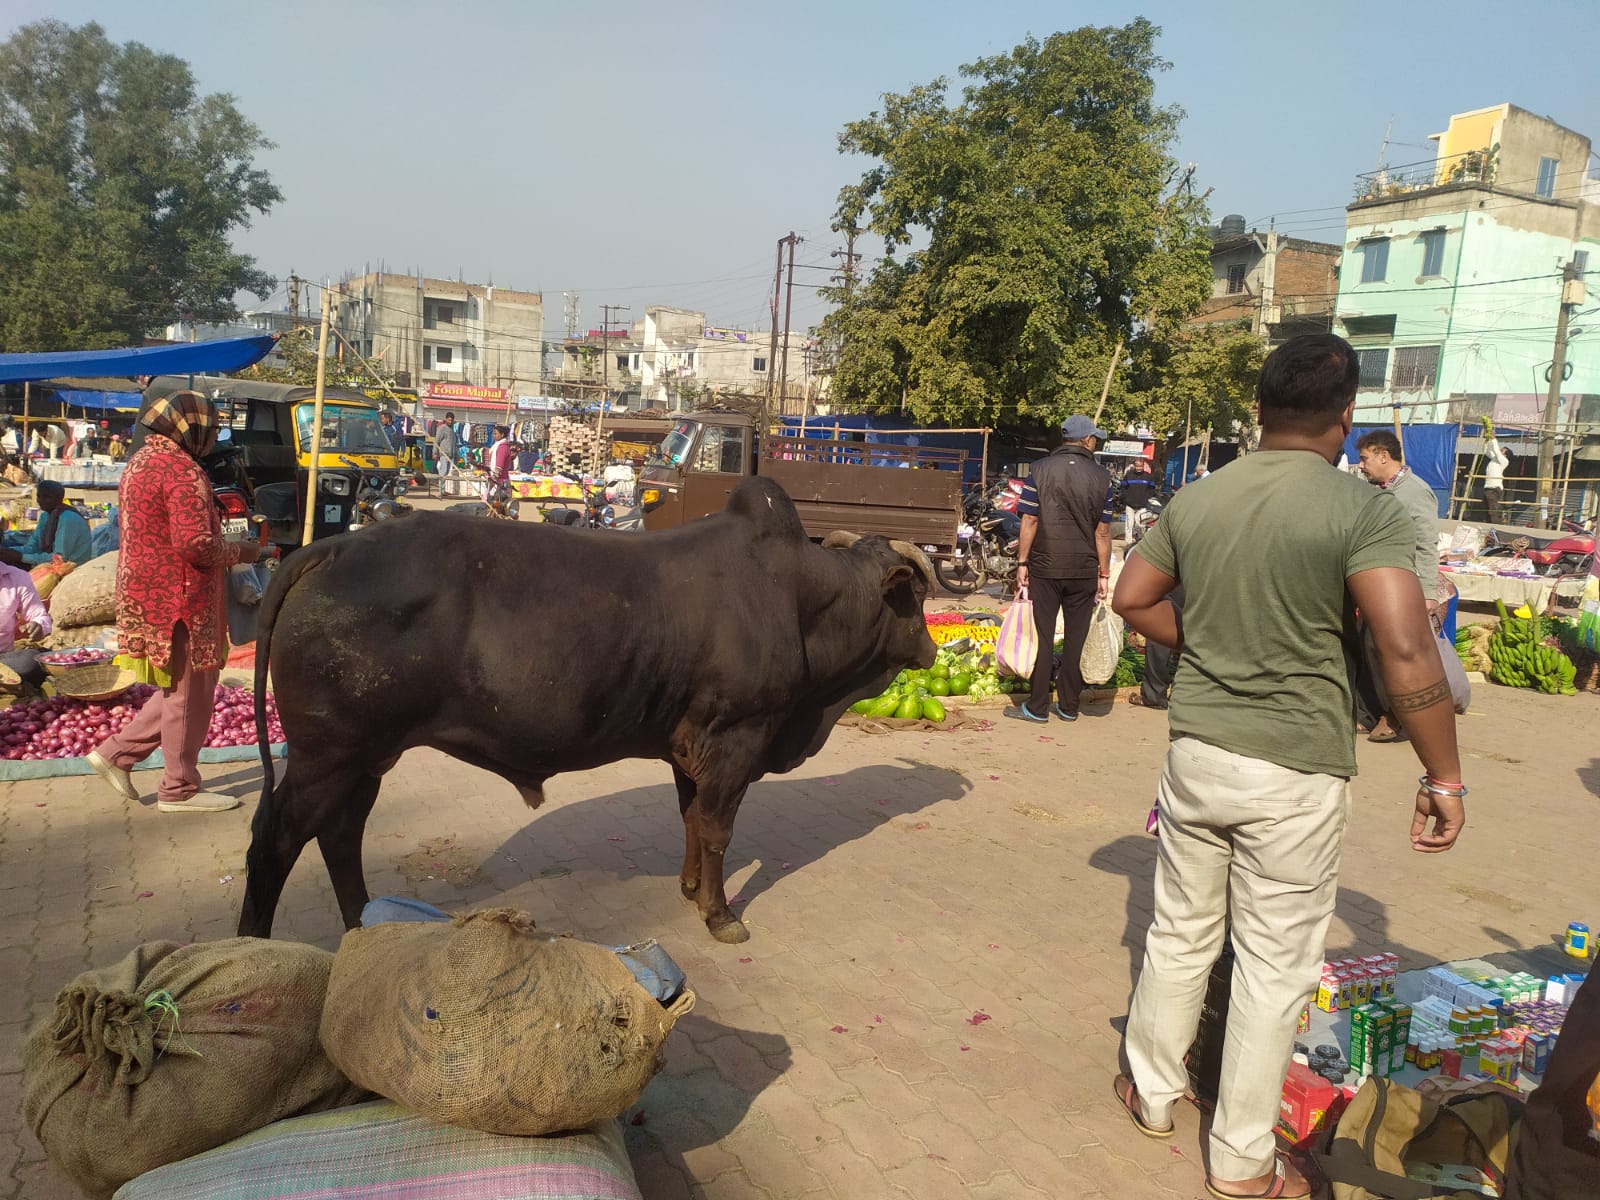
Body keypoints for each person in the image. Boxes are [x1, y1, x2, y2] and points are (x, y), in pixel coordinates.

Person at [1110, 334, 1464, 1200]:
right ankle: (1238, 1160)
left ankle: (1152, 1092)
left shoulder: (1199, 499)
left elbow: (1130, 599)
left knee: (1177, 933)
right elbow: (1407, 645)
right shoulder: (1360, 511)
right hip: (1294, 769)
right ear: (1346, 420)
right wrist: (1443, 776)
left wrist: (1215, 646)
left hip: (1197, 756)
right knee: (1273, 967)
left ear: (1260, 410)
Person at [86, 391, 265, 814]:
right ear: (192, 429)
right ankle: (178, 788)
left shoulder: (142, 461)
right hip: (182, 598)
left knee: (179, 688)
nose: (211, 436)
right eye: (209, 428)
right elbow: (195, 545)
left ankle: (116, 753)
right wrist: (243, 552)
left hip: (148, 591)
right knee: (190, 693)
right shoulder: (181, 470)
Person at [1010, 414, 1114, 724]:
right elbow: (1103, 533)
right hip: (1083, 570)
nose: (1096, 441)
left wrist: (1022, 563)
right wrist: (1104, 574)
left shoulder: (1039, 470)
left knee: (1043, 635)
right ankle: (1069, 706)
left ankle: (1037, 707)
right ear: (1085, 440)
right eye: (1094, 437)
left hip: (1045, 566)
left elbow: (1029, 520)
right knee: (1075, 638)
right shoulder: (1102, 477)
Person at [1354, 430, 1444, 743]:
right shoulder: (1376, 490)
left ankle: (1398, 717)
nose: (1361, 465)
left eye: (1365, 458)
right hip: (1375, 582)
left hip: (1403, 587)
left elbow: (1426, 544)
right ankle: (1366, 713)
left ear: (1383, 455)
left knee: (1389, 652)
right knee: (1365, 646)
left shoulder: (1415, 492)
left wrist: (1428, 593)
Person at [3, 481, 95, 568]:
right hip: (52, 564)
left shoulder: (68, 518)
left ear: (59, 498)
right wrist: (8, 551)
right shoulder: (46, 516)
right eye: (39, 496)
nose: (41, 500)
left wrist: (21, 557)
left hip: (71, 568)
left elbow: (60, 558)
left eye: (47, 497)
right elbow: (32, 548)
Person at [0, 558, 51, 686]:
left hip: (3, 660)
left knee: (31, 661)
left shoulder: (17, 577)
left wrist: (38, 626)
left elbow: (39, 616)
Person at [1120, 456, 1159, 546]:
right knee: (1129, 525)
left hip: (1143, 505)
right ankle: (1128, 543)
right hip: (1130, 505)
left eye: (1140, 466)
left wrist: (1147, 497)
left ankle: (1140, 542)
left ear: (1143, 466)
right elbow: (1123, 487)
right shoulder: (1128, 475)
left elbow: (1152, 489)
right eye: (1137, 466)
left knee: (1140, 524)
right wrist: (1125, 498)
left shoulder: (1148, 477)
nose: (1138, 468)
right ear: (1134, 466)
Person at [1482, 426, 1510, 525]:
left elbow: (1497, 452)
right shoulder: (1495, 459)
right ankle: (1489, 527)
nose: (1500, 450)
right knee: (1487, 509)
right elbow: (1487, 451)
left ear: (1506, 455)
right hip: (1488, 487)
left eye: (1503, 450)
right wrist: (1488, 440)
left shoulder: (1504, 461)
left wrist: (1493, 438)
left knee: (1493, 510)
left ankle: (1495, 528)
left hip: (1494, 488)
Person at [481, 424, 514, 505]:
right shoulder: (497, 446)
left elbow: (499, 466)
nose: (494, 435)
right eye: (493, 433)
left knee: (496, 506)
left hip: (500, 483)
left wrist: (493, 480)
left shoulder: (502, 448)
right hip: (495, 481)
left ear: (502, 434)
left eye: (496, 433)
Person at [432, 412, 458, 477]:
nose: (450, 422)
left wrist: (455, 454)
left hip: (450, 455)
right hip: (444, 454)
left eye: (452, 420)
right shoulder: (442, 428)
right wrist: (435, 453)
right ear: (446, 419)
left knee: (447, 473)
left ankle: (443, 487)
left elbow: (453, 443)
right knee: (443, 472)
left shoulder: (452, 430)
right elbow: (437, 441)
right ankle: (441, 487)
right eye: (449, 420)